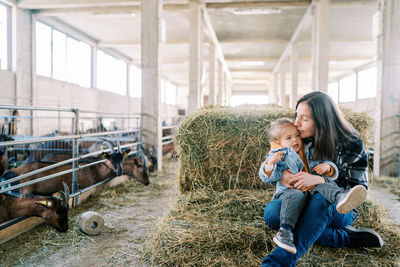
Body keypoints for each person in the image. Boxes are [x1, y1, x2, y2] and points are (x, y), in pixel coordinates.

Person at [261, 91, 383, 267]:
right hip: (302, 199)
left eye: (304, 119)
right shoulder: (298, 140)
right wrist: (282, 176)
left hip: (339, 206)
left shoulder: (351, 142)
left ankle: (277, 262)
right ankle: (344, 237)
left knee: (321, 200)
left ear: (322, 121)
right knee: (273, 215)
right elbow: (276, 166)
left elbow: (358, 188)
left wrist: (321, 180)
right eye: (297, 116)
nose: (296, 123)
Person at [259, 118, 367, 254]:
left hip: (313, 192)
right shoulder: (277, 155)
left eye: (297, 135)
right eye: (289, 138)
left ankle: (340, 196)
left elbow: (323, 165)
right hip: (292, 192)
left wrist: (328, 168)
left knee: (322, 188)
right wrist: (270, 164)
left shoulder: (308, 149)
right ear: (277, 143)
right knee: (283, 205)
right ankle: (285, 231)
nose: (295, 140)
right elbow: (265, 175)